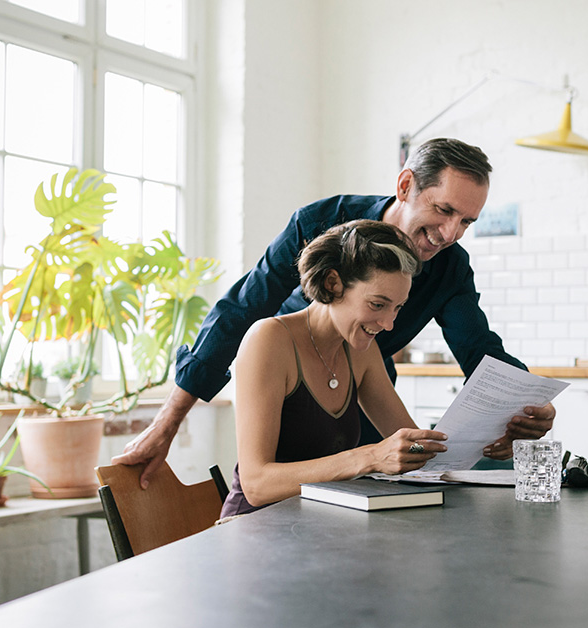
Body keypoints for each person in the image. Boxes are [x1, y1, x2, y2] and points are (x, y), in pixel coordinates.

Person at [113, 138, 555, 488]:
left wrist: (525, 407)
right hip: (288, 390)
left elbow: (479, 349)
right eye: (443, 211)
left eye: (466, 222)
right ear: (406, 187)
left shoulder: (444, 272)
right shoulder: (319, 224)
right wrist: (168, 422)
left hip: (365, 390)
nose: (450, 234)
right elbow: (242, 310)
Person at [221, 220, 447, 516]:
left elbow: (413, 446)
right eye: (378, 305)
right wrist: (370, 457)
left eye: (397, 308)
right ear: (333, 284)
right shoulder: (269, 340)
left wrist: (443, 447)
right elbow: (257, 485)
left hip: (317, 525)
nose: (389, 324)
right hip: (254, 529)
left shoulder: (360, 350)